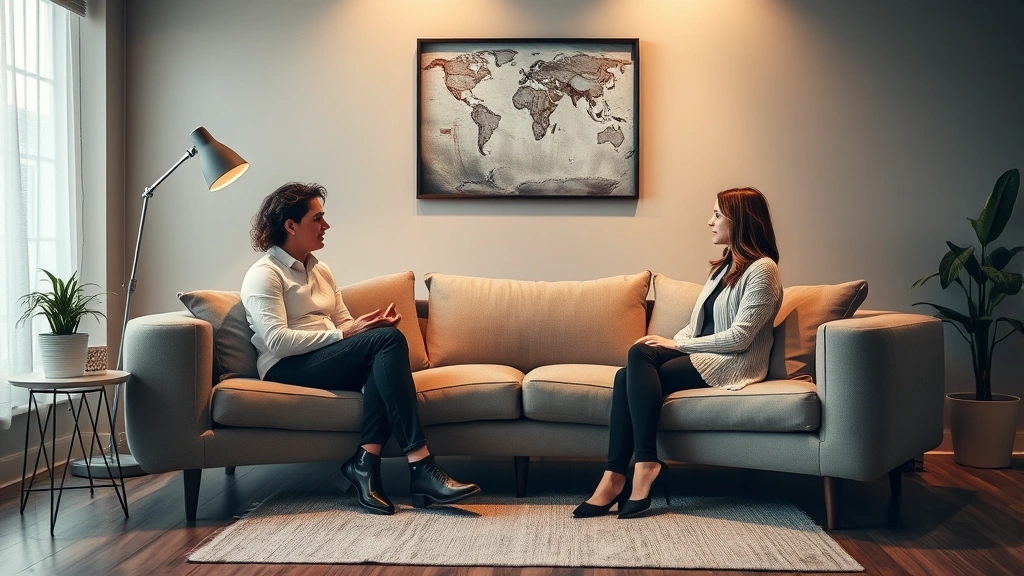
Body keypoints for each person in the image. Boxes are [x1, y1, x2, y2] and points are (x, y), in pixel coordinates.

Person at [241, 182, 480, 515]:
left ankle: (365, 463)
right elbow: (277, 341)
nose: (326, 226)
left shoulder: (321, 270)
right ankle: (420, 465)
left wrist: (366, 327)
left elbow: (343, 322)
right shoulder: (264, 275)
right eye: (318, 219)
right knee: (387, 343)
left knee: (384, 351)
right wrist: (347, 334)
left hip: (325, 358)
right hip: (287, 366)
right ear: (290, 225)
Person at [574, 187, 783, 519]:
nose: (709, 222)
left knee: (638, 359)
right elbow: (698, 326)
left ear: (739, 220)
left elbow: (740, 338)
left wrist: (678, 345)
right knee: (629, 367)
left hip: (732, 364)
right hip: (709, 356)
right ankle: (618, 474)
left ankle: (638, 467)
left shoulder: (763, 270)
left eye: (717, 215)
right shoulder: (723, 268)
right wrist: (672, 339)